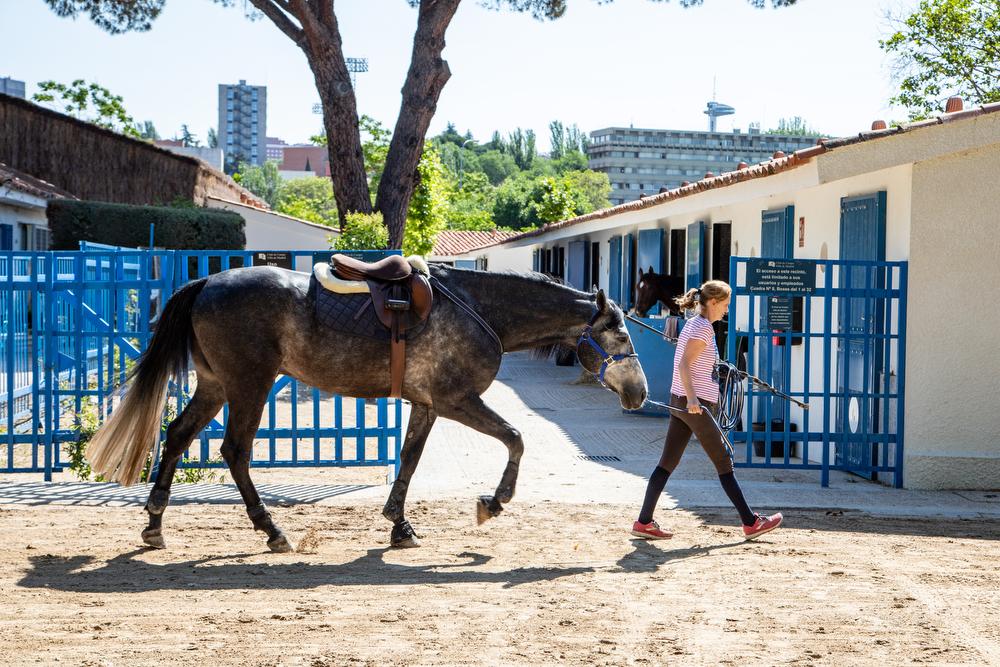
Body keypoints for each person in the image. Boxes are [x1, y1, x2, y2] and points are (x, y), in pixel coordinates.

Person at [631, 280, 783, 541]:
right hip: (695, 406)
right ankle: (750, 522)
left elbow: (695, 363)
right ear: (712, 303)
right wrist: (693, 399)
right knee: (723, 461)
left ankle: (644, 521)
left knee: (667, 463)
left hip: (681, 403)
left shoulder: (695, 324)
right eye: (724, 305)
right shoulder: (703, 329)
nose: (726, 310)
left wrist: (716, 369)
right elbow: (684, 365)